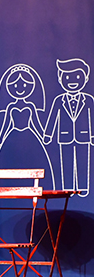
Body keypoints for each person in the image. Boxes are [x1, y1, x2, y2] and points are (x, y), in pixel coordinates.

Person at [43, 58, 93, 196]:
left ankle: (83, 187)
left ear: (86, 78)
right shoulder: (59, 100)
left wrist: (92, 135)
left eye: (77, 77)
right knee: (66, 162)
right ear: (60, 79)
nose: (72, 81)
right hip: (65, 136)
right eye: (67, 77)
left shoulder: (88, 99)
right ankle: (68, 189)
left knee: (83, 162)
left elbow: (92, 116)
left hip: (83, 136)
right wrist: (48, 135)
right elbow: (53, 117)